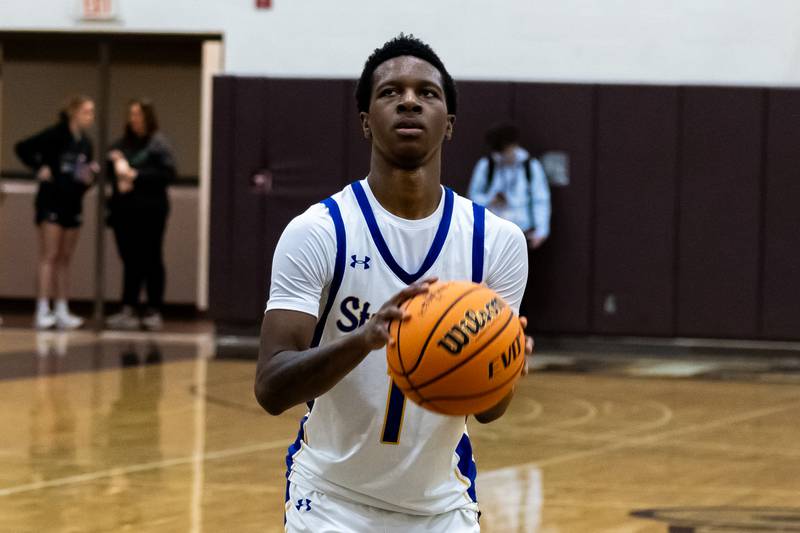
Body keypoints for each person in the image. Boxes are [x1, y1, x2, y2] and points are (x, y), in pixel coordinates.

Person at [255, 35, 534, 532]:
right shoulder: (319, 232)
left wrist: (503, 362)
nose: (409, 100)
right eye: (390, 92)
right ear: (366, 122)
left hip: (443, 508)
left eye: (427, 92)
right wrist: (364, 339)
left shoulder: (496, 243)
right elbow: (272, 387)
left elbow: (491, 412)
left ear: (448, 125)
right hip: (329, 501)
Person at [15, 96, 98, 330]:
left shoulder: (85, 143)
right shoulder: (55, 135)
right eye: (86, 111)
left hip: (73, 203)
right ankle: (42, 308)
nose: (90, 116)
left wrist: (89, 178)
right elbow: (22, 148)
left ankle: (62, 308)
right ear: (73, 112)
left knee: (65, 257)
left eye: (92, 112)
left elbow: (84, 175)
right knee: (49, 255)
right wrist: (39, 167)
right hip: (51, 201)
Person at [105, 99, 176, 331]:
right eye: (131, 114)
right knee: (130, 259)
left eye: (138, 114)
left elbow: (167, 174)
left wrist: (136, 175)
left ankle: (154, 308)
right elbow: (109, 173)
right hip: (125, 211)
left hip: (151, 209)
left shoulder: (158, 145)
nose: (134, 119)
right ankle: (128, 306)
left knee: (152, 257)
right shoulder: (122, 145)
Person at [468, 122, 551, 250]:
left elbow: (540, 200)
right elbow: (472, 198)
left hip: (522, 232)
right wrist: (490, 200)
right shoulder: (487, 166)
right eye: (503, 152)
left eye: (509, 150)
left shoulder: (530, 166)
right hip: (492, 234)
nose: (507, 155)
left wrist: (541, 230)